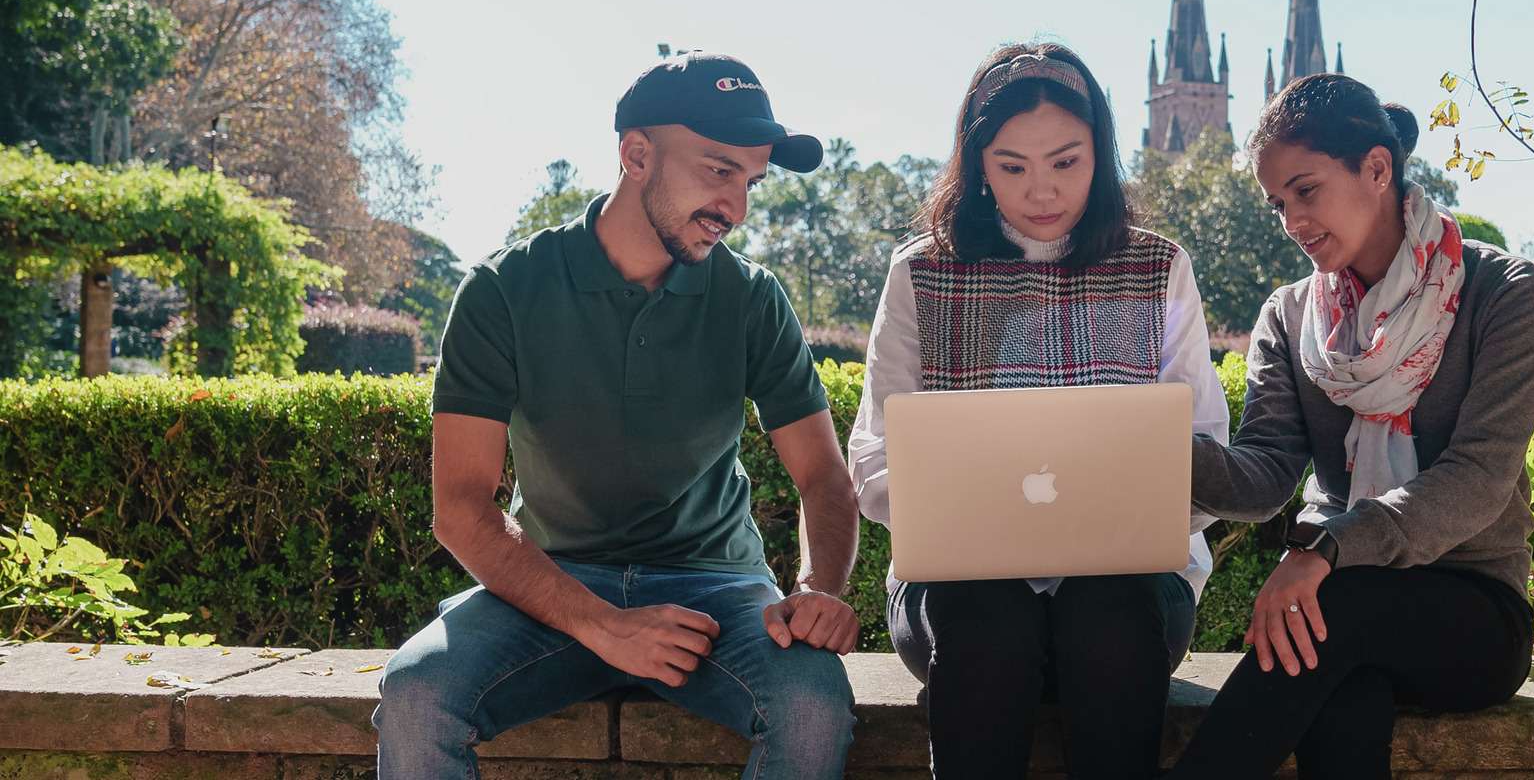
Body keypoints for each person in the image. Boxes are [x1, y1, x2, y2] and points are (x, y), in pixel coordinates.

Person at [375, 53, 861, 780]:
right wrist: (603, 625)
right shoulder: (503, 292)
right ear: (637, 155)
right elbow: (460, 508)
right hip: (551, 584)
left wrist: (819, 590)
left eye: (750, 181)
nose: (737, 207)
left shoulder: (753, 299)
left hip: (719, 591)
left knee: (814, 708)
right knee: (416, 696)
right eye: (718, 170)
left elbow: (824, 476)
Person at [847, 42, 1230, 780]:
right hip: (957, 605)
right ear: (978, 163)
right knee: (990, 621)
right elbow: (873, 459)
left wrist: (1137, 511)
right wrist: (946, 511)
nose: (1042, 191)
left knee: (1109, 614)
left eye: (1066, 162)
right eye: (1011, 167)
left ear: (1101, 154)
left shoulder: (1159, 266)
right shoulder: (921, 271)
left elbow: (1204, 447)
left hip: (1134, 601)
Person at [1165, 73, 1534, 780]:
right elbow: (1264, 477)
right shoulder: (1289, 317)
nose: (1292, 222)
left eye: (1306, 191)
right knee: (1343, 705)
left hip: (1472, 613)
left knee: (1330, 612)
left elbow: (1478, 480)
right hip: (1335, 611)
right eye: (1278, 203)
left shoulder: (1507, 294)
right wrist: (1149, 440)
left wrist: (1328, 549)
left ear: (1377, 168)